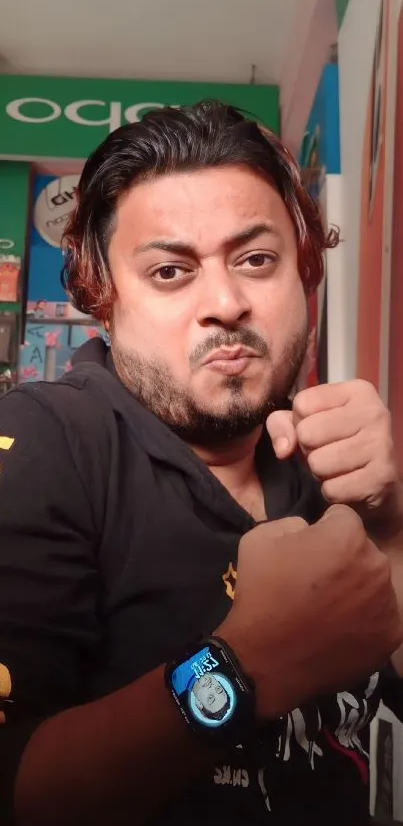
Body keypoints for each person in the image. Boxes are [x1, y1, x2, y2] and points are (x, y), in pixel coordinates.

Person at [0, 101, 402, 826]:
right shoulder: (46, 443)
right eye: (169, 271)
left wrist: (391, 524)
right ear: (102, 298)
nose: (224, 302)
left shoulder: (326, 459)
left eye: (255, 259)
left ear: (304, 274)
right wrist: (244, 667)